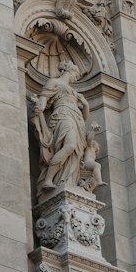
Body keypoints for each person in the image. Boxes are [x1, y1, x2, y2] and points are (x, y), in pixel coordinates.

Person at [30, 60, 90, 193]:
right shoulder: (54, 82)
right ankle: (49, 179)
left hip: (77, 120)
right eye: (76, 74)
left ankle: (68, 179)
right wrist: (40, 106)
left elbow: (85, 117)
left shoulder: (76, 93)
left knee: (75, 151)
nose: (76, 78)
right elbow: (44, 97)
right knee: (70, 145)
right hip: (63, 115)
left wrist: (85, 105)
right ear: (70, 71)